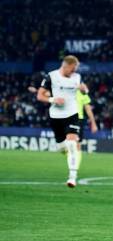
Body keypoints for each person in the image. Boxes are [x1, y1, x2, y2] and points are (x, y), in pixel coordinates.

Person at [37, 55, 88, 187]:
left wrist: (84, 90)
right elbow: (40, 95)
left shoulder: (76, 77)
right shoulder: (51, 76)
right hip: (55, 116)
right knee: (61, 147)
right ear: (65, 66)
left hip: (72, 114)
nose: (74, 72)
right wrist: (53, 100)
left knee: (72, 144)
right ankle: (66, 152)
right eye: (72, 69)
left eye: (75, 69)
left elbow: (83, 89)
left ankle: (72, 177)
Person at [76, 88, 98, 163]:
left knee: (77, 144)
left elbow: (88, 109)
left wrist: (93, 123)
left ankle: (74, 169)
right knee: (63, 144)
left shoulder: (82, 93)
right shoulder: (66, 89)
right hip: (65, 118)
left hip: (78, 120)